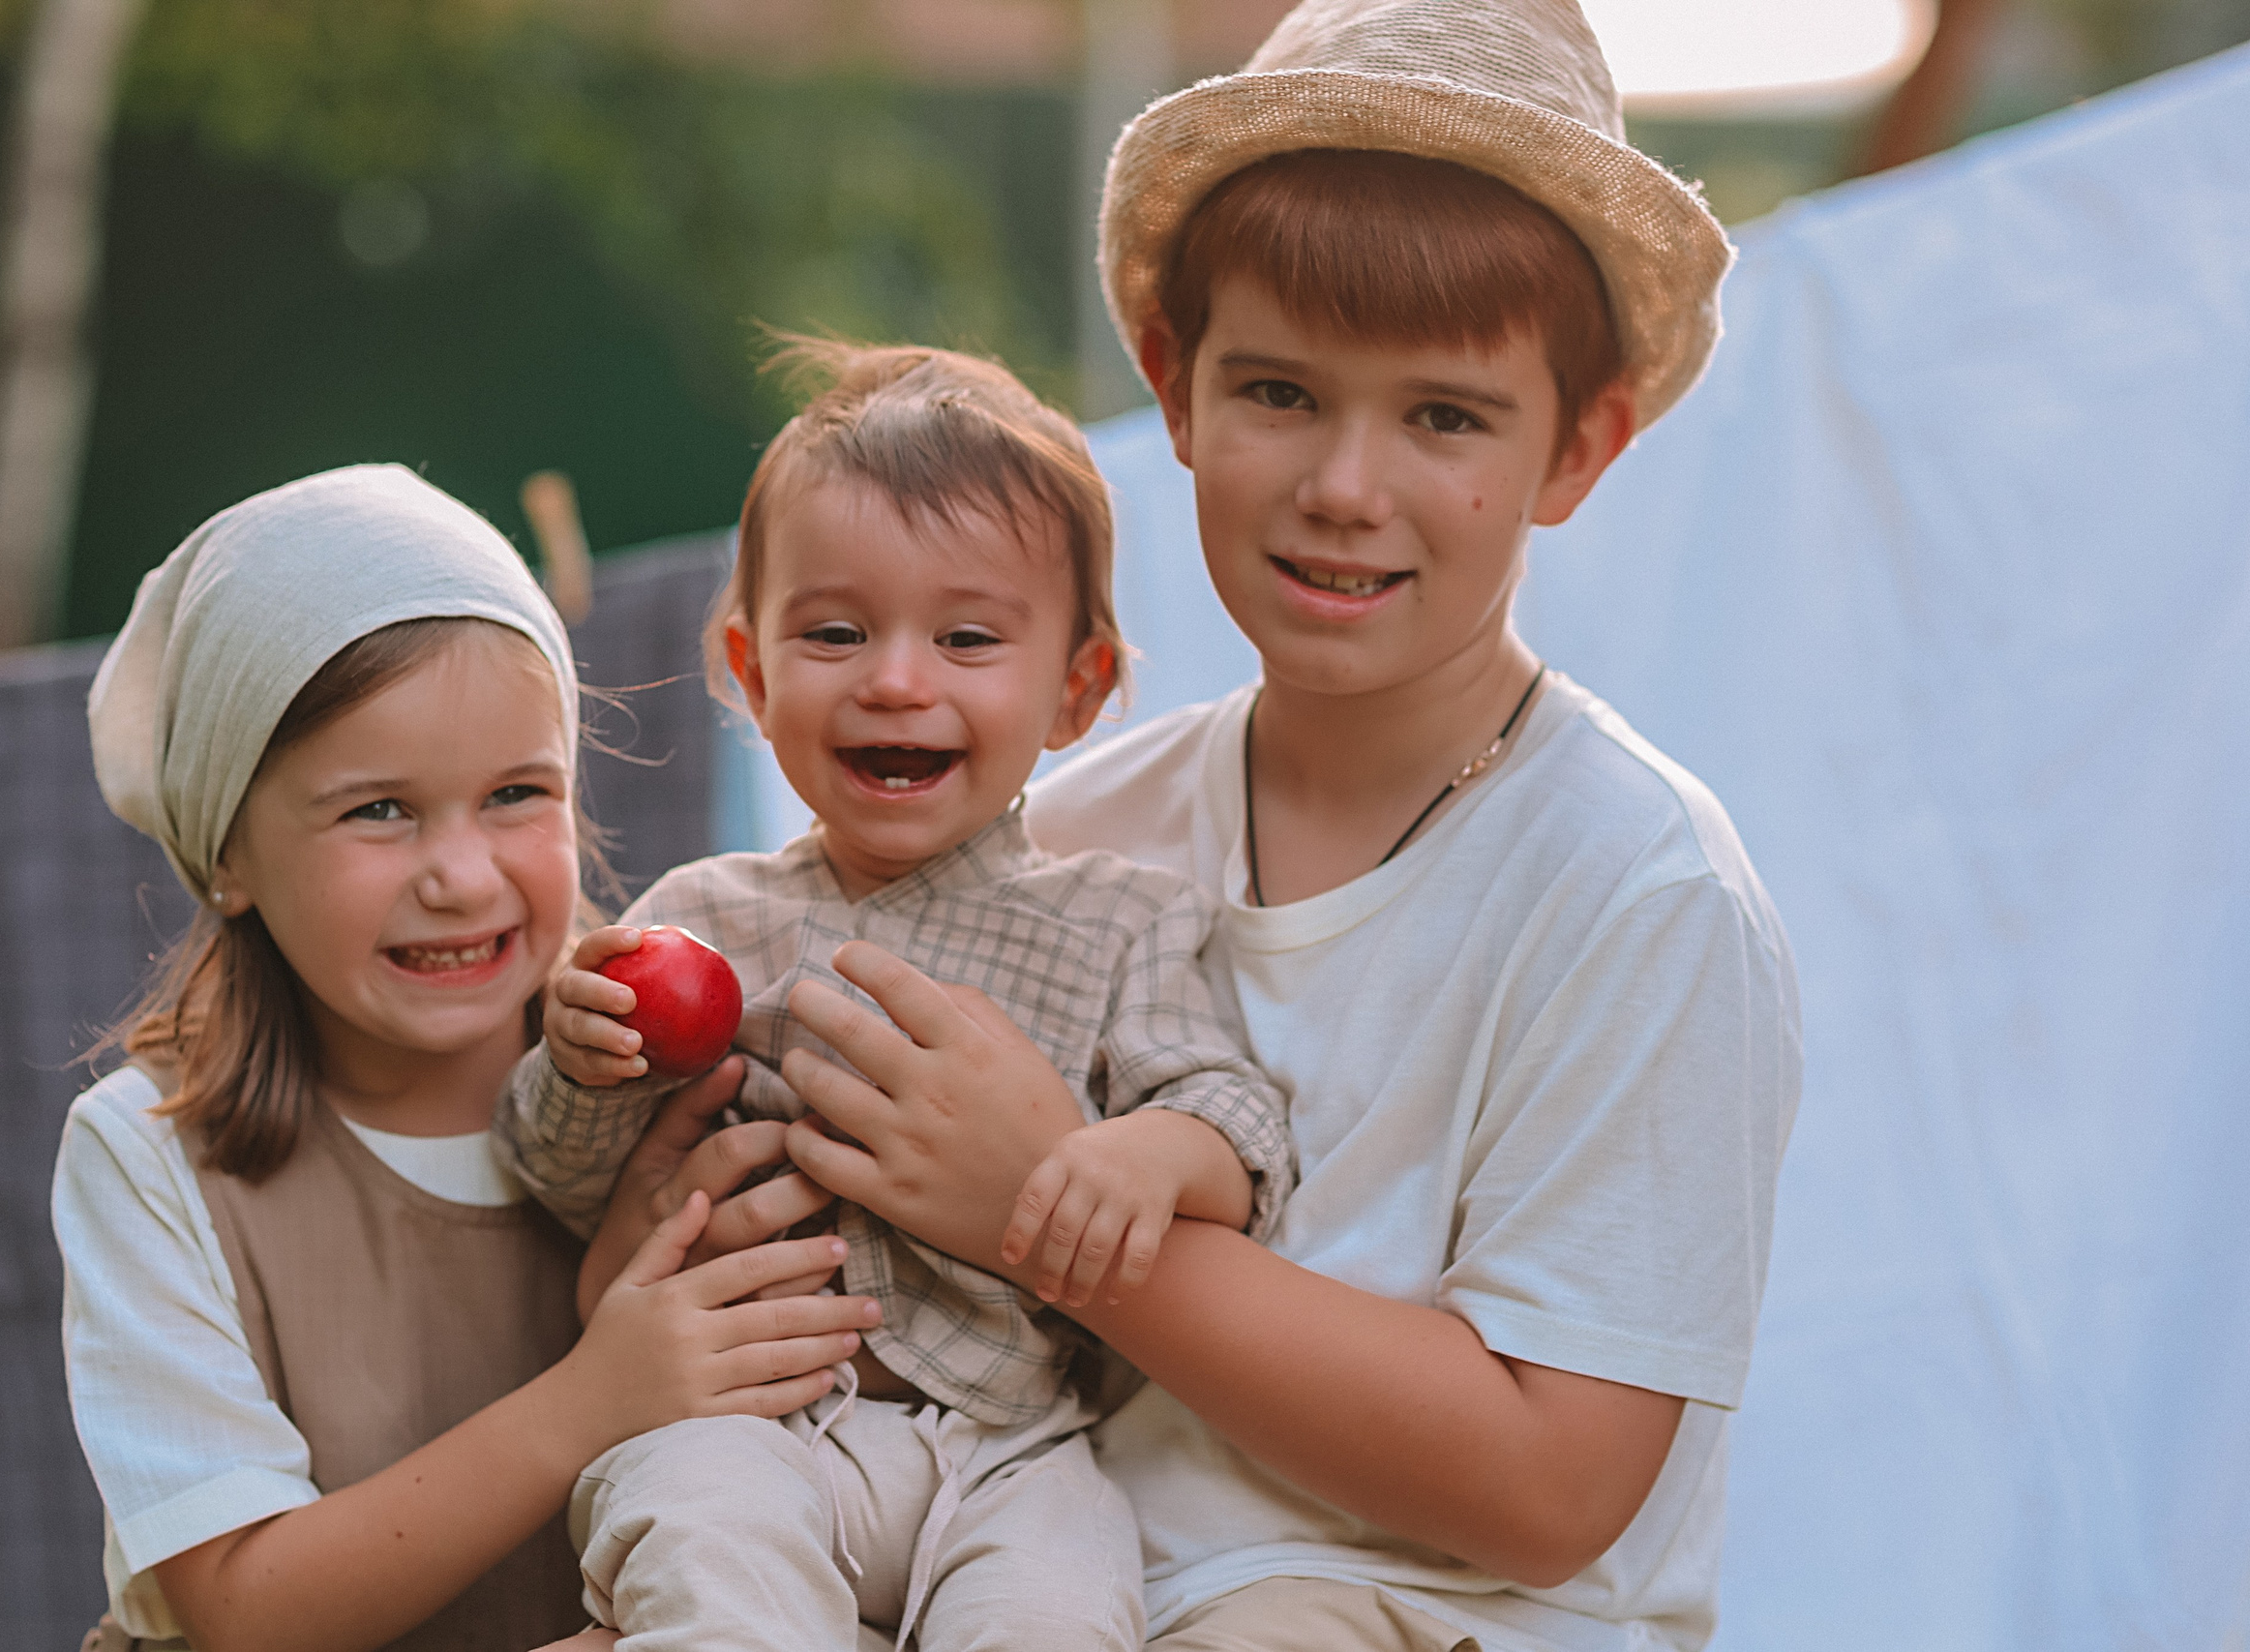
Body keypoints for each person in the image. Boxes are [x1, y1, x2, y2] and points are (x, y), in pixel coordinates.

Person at [755, 3, 1804, 1650]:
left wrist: (1044, 1199)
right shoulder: (1062, 828)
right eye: (1280, 392)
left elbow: (1551, 1484)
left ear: (1579, 446)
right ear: (1174, 391)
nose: (1344, 484)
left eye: (1445, 417)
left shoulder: (1640, 891)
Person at [493, 341, 1295, 1652]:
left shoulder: (1123, 917)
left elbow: (1235, 1122)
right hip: (744, 1418)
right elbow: (561, 1177)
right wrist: (580, 1068)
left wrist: (1150, 1149)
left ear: (1077, 688)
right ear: (752, 673)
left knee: (1059, 1606)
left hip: (1011, 1443)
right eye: (836, 631)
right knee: (696, 1536)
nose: (897, 678)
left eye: (968, 636)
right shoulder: (697, 915)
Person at [53, 465, 880, 1652]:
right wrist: (595, 1396)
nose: (462, 875)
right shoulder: (148, 1158)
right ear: (226, 850)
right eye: (378, 810)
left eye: (513, 794)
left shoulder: (683, 1082)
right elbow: (241, 1608)